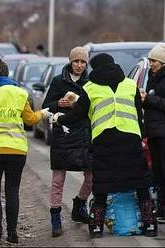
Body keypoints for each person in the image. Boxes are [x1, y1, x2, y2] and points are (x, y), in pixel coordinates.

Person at [54, 53, 157, 238]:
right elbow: (138, 114)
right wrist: (141, 135)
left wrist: (59, 119)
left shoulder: (90, 87)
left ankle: (96, 227)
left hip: (104, 140)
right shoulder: (130, 84)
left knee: (102, 184)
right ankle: (150, 224)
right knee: (140, 182)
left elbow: (77, 115)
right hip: (130, 139)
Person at [0, 56, 51, 244]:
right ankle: (13, 234)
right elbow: (30, 120)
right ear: (7, 74)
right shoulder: (19, 93)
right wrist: (44, 112)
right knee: (13, 190)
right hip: (16, 151)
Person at [42, 46, 92, 237]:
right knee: (58, 180)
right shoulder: (58, 81)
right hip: (62, 134)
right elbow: (46, 107)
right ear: (70, 62)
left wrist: (78, 105)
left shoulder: (90, 83)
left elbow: (93, 108)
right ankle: (55, 216)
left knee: (91, 176)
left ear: (86, 64)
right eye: (76, 61)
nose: (79, 65)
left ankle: (79, 204)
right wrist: (58, 104)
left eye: (82, 62)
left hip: (84, 135)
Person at [140, 43, 165, 224]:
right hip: (153, 132)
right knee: (157, 173)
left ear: (162, 62)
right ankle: (161, 208)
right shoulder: (152, 76)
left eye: (154, 60)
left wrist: (148, 98)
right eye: (150, 60)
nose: (151, 63)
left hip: (163, 133)